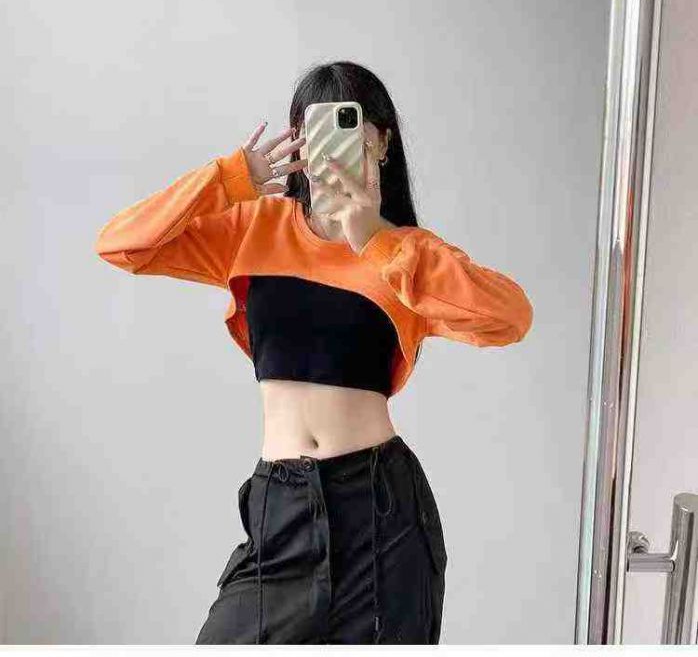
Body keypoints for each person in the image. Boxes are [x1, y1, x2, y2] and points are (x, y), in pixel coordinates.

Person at [94, 60, 534, 645]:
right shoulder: (254, 228)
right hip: (281, 506)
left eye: (352, 131)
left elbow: (509, 318)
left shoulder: (404, 251)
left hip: (382, 513)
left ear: (382, 143)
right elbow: (121, 245)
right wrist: (228, 179)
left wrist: (377, 241)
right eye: (314, 133)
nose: (332, 152)